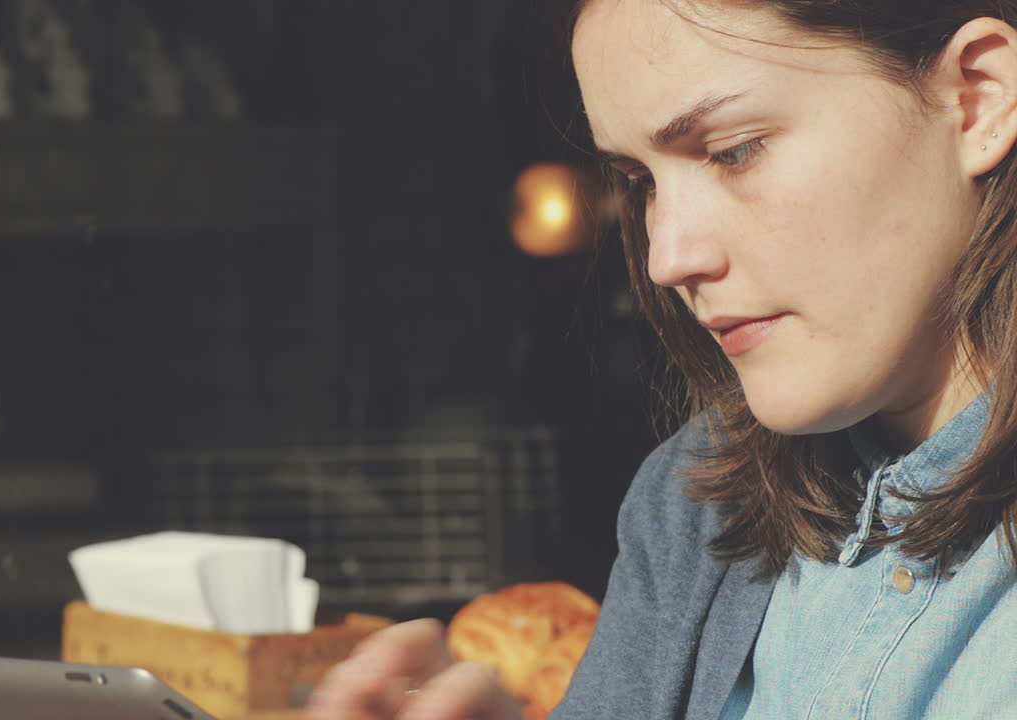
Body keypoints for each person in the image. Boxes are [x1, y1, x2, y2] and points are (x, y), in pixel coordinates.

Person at [305, 0, 1017, 718]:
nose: (668, 258)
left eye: (734, 150)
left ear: (977, 98)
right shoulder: (701, 503)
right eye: (642, 181)